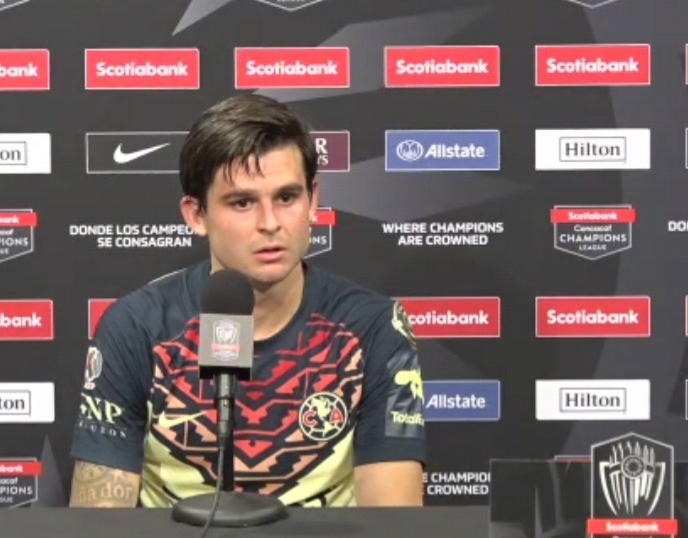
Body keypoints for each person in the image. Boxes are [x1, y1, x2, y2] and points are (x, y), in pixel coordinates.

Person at [68, 94, 427, 508]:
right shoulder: (135, 328)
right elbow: (100, 526)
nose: (270, 223)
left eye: (287, 198)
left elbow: (394, 524)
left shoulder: (374, 327)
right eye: (242, 202)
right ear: (196, 214)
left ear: (313, 200)